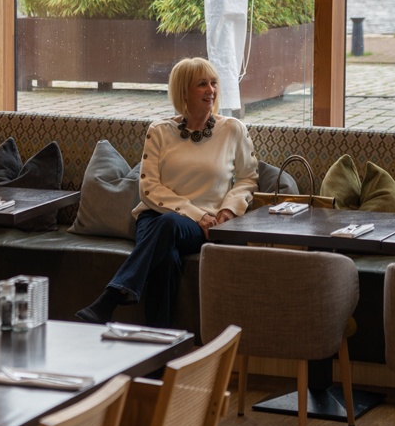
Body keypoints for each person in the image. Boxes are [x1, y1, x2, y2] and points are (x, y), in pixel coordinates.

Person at [76, 56, 259, 327]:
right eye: (202, 84)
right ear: (183, 91)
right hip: (156, 217)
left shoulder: (232, 129)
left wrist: (226, 211)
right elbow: (149, 187)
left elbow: (248, 178)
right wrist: (196, 213)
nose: (211, 90)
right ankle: (159, 358)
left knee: (170, 225)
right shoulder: (159, 131)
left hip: (206, 225)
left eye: (213, 83)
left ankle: (110, 298)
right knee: (168, 256)